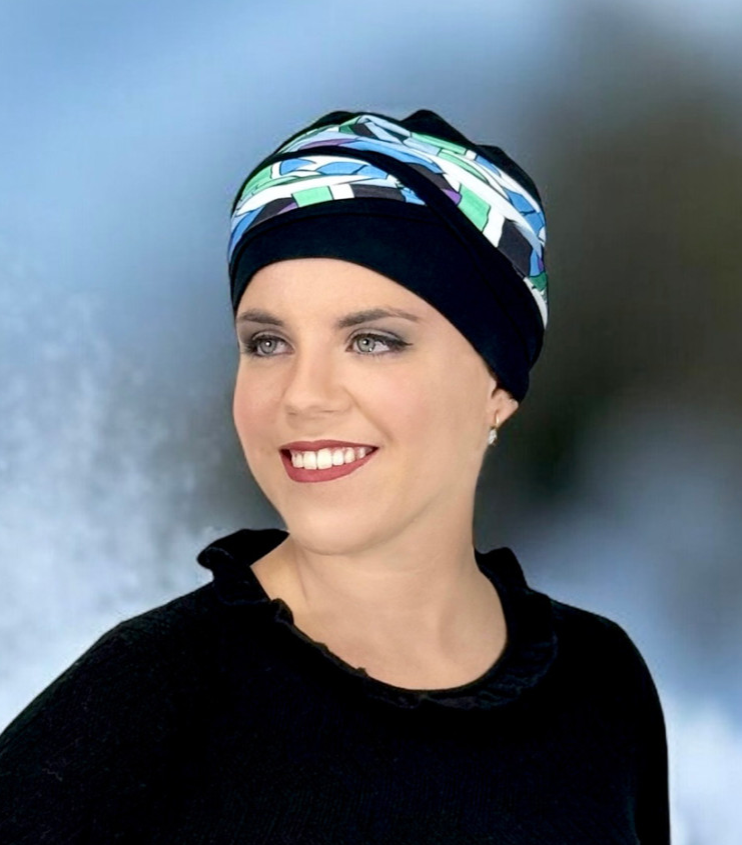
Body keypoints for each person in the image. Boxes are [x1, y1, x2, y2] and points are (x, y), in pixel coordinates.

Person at [0, 109, 671, 843]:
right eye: (267, 343)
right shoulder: (151, 692)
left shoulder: (602, 687)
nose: (303, 394)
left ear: (497, 386)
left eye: (372, 340)